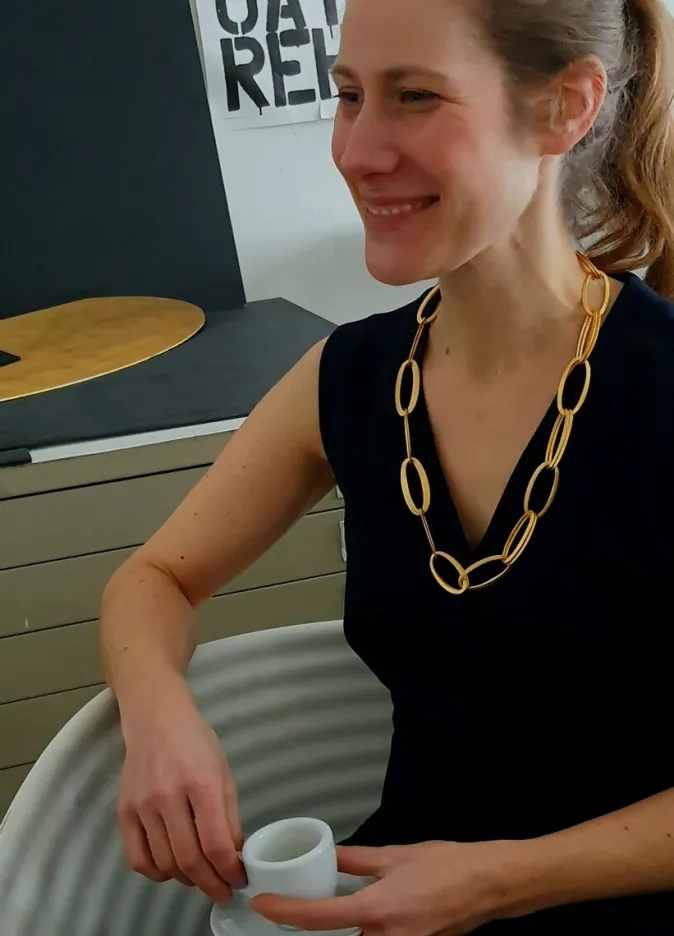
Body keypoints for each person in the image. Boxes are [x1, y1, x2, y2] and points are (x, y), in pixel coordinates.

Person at [100, 0, 674, 932]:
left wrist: (496, 882)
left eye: (415, 96)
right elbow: (153, 578)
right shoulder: (348, 379)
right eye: (349, 95)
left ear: (564, 108)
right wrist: (160, 719)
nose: (356, 152)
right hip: (394, 906)